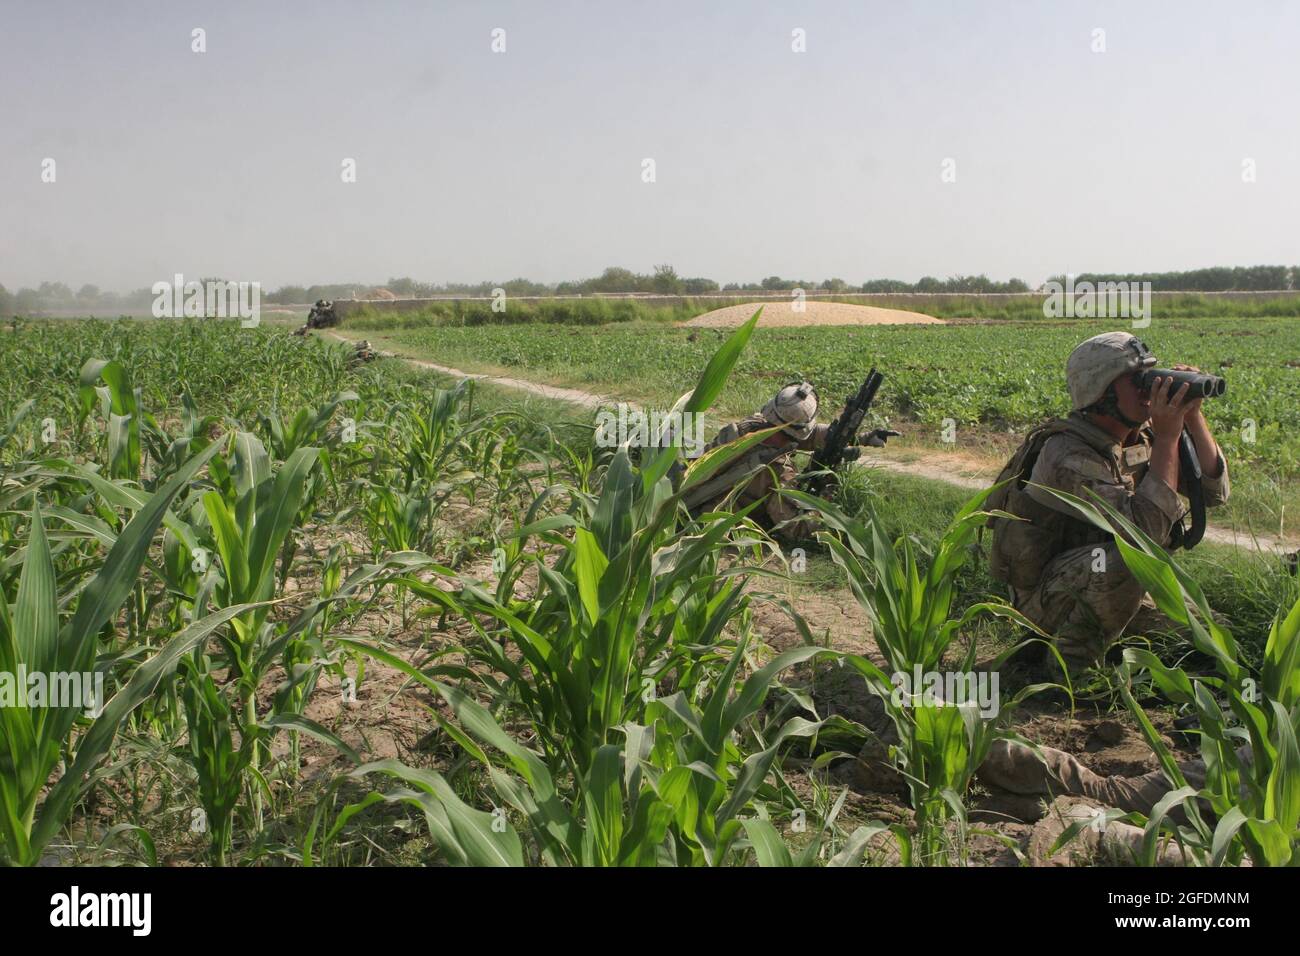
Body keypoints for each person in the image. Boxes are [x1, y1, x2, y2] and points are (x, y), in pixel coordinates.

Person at [987, 332, 1229, 670]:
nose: (1151, 388)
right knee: (1131, 559)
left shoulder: (1138, 437)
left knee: (1215, 637)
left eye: (1151, 375)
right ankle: (1067, 667)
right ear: (1100, 391)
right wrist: (1169, 436)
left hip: (1109, 582)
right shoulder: (1067, 454)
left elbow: (1213, 494)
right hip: (1046, 597)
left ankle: (1113, 650)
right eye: (1138, 380)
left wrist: (1192, 418)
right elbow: (1143, 535)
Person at [682, 381, 895, 541]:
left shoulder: (747, 428)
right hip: (716, 526)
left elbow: (797, 434)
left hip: (693, 501)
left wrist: (861, 437)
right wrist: (824, 500)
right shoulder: (776, 469)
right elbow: (793, 529)